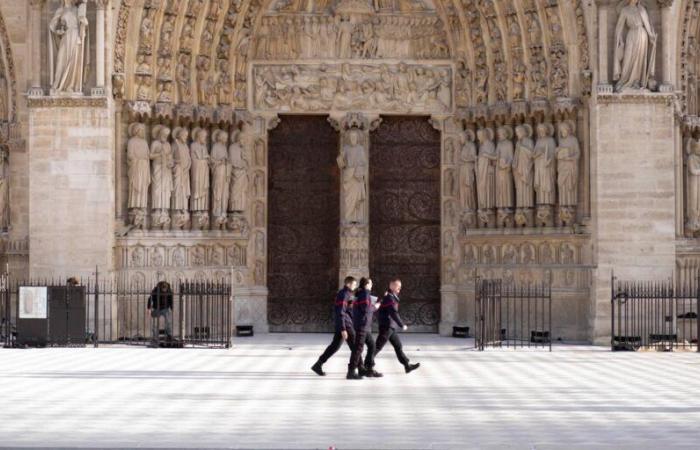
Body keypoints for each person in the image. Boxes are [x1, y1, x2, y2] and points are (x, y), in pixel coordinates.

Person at [311, 276, 357, 376]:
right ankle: (357, 370)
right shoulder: (344, 294)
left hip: (344, 324)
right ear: (348, 284)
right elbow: (340, 312)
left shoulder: (348, 294)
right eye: (354, 284)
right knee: (355, 347)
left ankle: (318, 364)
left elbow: (348, 309)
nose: (355, 286)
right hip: (345, 325)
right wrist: (343, 329)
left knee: (335, 346)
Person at [374, 278, 420, 374]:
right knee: (378, 346)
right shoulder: (389, 297)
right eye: (397, 285)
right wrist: (402, 324)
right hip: (387, 326)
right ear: (391, 285)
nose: (399, 287)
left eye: (400, 286)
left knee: (398, 346)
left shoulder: (390, 296)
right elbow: (393, 313)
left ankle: (407, 366)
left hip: (390, 326)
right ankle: (366, 364)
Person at [347, 277, 383, 380]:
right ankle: (351, 372)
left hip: (364, 326)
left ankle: (369, 369)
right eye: (371, 283)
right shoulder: (365, 294)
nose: (372, 285)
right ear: (367, 284)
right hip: (362, 325)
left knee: (372, 345)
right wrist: (376, 306)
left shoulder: (361, 293)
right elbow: (366, 309)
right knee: (358, 349)